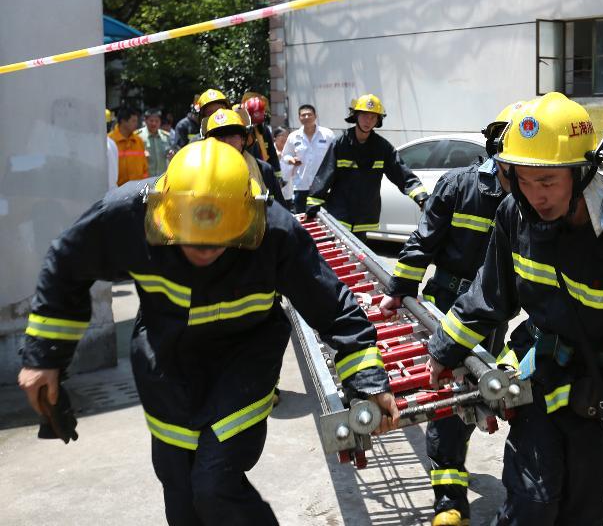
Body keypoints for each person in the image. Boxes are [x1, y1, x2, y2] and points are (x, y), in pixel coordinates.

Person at [18, 138, 400, 525]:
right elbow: (66, 263)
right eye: (191, 239)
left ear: (246, 220)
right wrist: (45, 357)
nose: (203, 252)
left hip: (245, 361)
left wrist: (367, 380)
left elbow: (334, 309)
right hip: (166, 363)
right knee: (180, 491)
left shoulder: (274, 231)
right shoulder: (128, 215)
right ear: (164, 211)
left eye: (218, 242)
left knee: (214, 482)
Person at [426, 92, 603, 525]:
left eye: (547, 182)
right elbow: (489, 295)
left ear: (583, 173)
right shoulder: (514, 215)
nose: (534, 195)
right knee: (531, 505)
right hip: (540, 383)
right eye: (523, 179)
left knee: (591, 509)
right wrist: (444, 350)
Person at [378, 104, 517, 526]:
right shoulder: (458, 185)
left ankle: (461, 447)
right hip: (446, 305)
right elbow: (423, 242)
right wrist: (400, 291)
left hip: (492, 313)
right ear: (499, 151)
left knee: (477, 392)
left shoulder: (527, 195)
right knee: (447, 399)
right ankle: (449, 500)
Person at [305, 94, 428, 234]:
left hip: (364, 217)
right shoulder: (340, 144)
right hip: (339, 213)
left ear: (378, 121)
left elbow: (402, 174)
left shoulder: (382, 148)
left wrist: (421, 197)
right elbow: (324, 175)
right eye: (364, 115)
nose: (368, 121)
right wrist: (313, 204)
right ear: (356, 116)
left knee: (359, 254)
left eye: (373, 117)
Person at [201, 108, 287, 209]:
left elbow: (281, 213)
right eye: (219, 137)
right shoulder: (201, 171)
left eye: (232, 136)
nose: (226, 142)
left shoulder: (263, 170)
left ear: (243, 139)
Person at [281, 104, 334, 212]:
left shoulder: (327, 135)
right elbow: (285, 155)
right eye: (303, 115)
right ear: (299, 118)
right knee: (302, 220)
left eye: (309, 114)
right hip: (301, 186)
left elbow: (335, 158)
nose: (306, 117)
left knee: (323, 220)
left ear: (315, 116)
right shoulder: (293, 136)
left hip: (322, 186)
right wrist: (291, 160)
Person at [240, 92, 282, 184]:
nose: (254, 125)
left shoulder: (264, 130)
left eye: (256, 122)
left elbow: (272, 154)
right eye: (253, 122)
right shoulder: (239, 132)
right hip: (245, 174)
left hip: (264, 174)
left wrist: (278, 176)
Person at [108, 106, 148, 186]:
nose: (136, 124)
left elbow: (144, 167)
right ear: (123, 121)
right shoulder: (110, 141)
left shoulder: (138, 141)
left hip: (137, 190)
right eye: (133, 121)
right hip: (117, 191)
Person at [137, 108, 171, 177]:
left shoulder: (166, 137)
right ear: (145, 121)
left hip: (161, 179)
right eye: (151, 121)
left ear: (160, 122)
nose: (154, 123)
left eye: (157, 121)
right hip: (145, 180)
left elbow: (170, 155)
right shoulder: (138, 136)